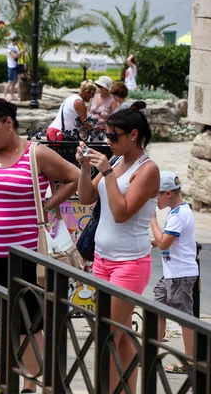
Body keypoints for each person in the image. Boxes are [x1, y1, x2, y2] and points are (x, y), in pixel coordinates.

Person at [0, 97, 79, 393]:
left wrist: (47, 206)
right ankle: (6, 382)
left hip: (23, 256)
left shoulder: (36, 154)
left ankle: (30, 386)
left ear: (9, 123)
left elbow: (73, 177)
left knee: (28, 324)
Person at [76, 101, 160, 393]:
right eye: (106, 135)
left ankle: (109, 389)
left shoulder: (146, 170)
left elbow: (122, 212)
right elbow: (85, 198)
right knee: (118, 334)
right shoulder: (114, 162)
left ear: (133, 135)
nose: (107, 141)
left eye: (113, 136)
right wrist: (86, 167)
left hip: (130, 263)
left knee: (107, 333)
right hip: (102, 259)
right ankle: (125, 389)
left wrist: (108, 174)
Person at [150, 171, 198, 374]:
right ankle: (151, 355)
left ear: (168, 193)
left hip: (180, 275)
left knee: (184, 318)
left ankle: (191, 361)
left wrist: (152, 219)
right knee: (157, 309)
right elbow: (169, 241)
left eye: (156, 195)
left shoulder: (180, 215)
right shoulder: (177, 211)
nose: (154, 199)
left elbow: (163, 243)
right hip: (172, 272)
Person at [3, 37, 26, 101]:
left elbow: (19, 56)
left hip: (16, 66)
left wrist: (23, 52)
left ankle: (12, 95)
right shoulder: (9, 48)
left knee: (14, 82)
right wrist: (20, 52)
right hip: (11, 66)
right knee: (10, 82)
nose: (18, 42)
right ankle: (4, 95)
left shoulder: (16, 47)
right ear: (15, 41)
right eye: (18, 41)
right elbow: (14, 56)